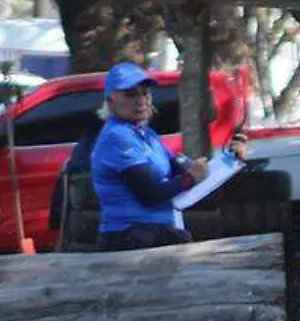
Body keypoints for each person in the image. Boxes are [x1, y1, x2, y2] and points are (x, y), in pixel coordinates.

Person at [90, 62, 238, 252]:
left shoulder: (147, 134)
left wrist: (231, 158)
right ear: (110, 102)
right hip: (128, 237)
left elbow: (179, 168)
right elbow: (151, 194)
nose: (140, 100)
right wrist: (191, 177)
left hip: (155, 232)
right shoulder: (117, 136)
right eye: (130, 94)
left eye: (145, 93)